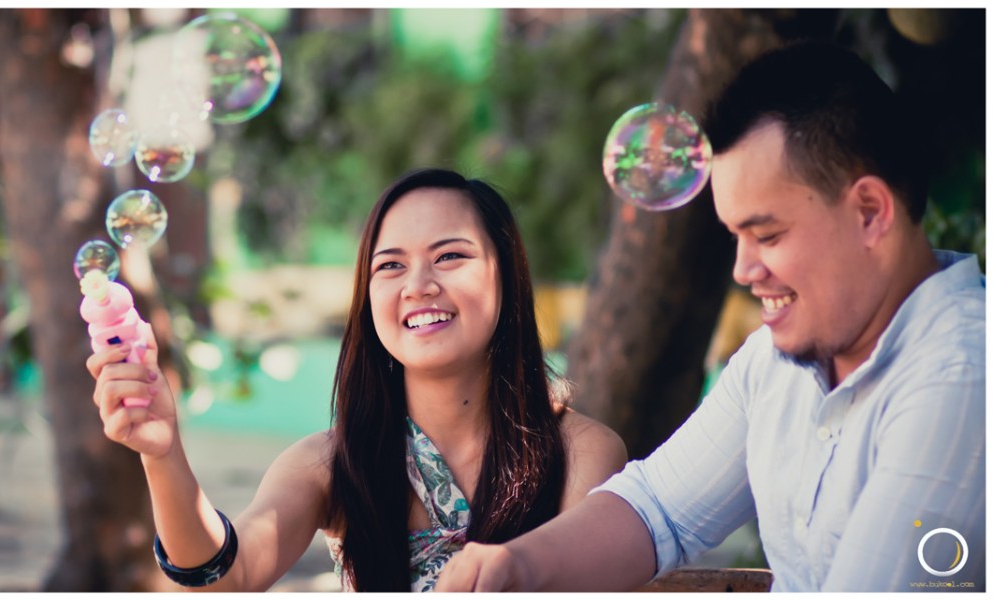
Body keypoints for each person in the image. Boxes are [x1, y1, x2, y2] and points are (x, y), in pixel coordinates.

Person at [434, 41, 985, 593]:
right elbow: (659, 510)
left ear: (869, 212)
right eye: (735, 236)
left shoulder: (962, 380)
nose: (744, 269)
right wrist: (517, 566)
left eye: (767, 235)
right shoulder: (775, 363)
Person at [87, 168, 628, 592]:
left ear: (507, 277)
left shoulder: (582, 453)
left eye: (450, 256)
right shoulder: (330, 464)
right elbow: (228, 576)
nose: (418, 285)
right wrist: (161, 452)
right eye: (390, 266)